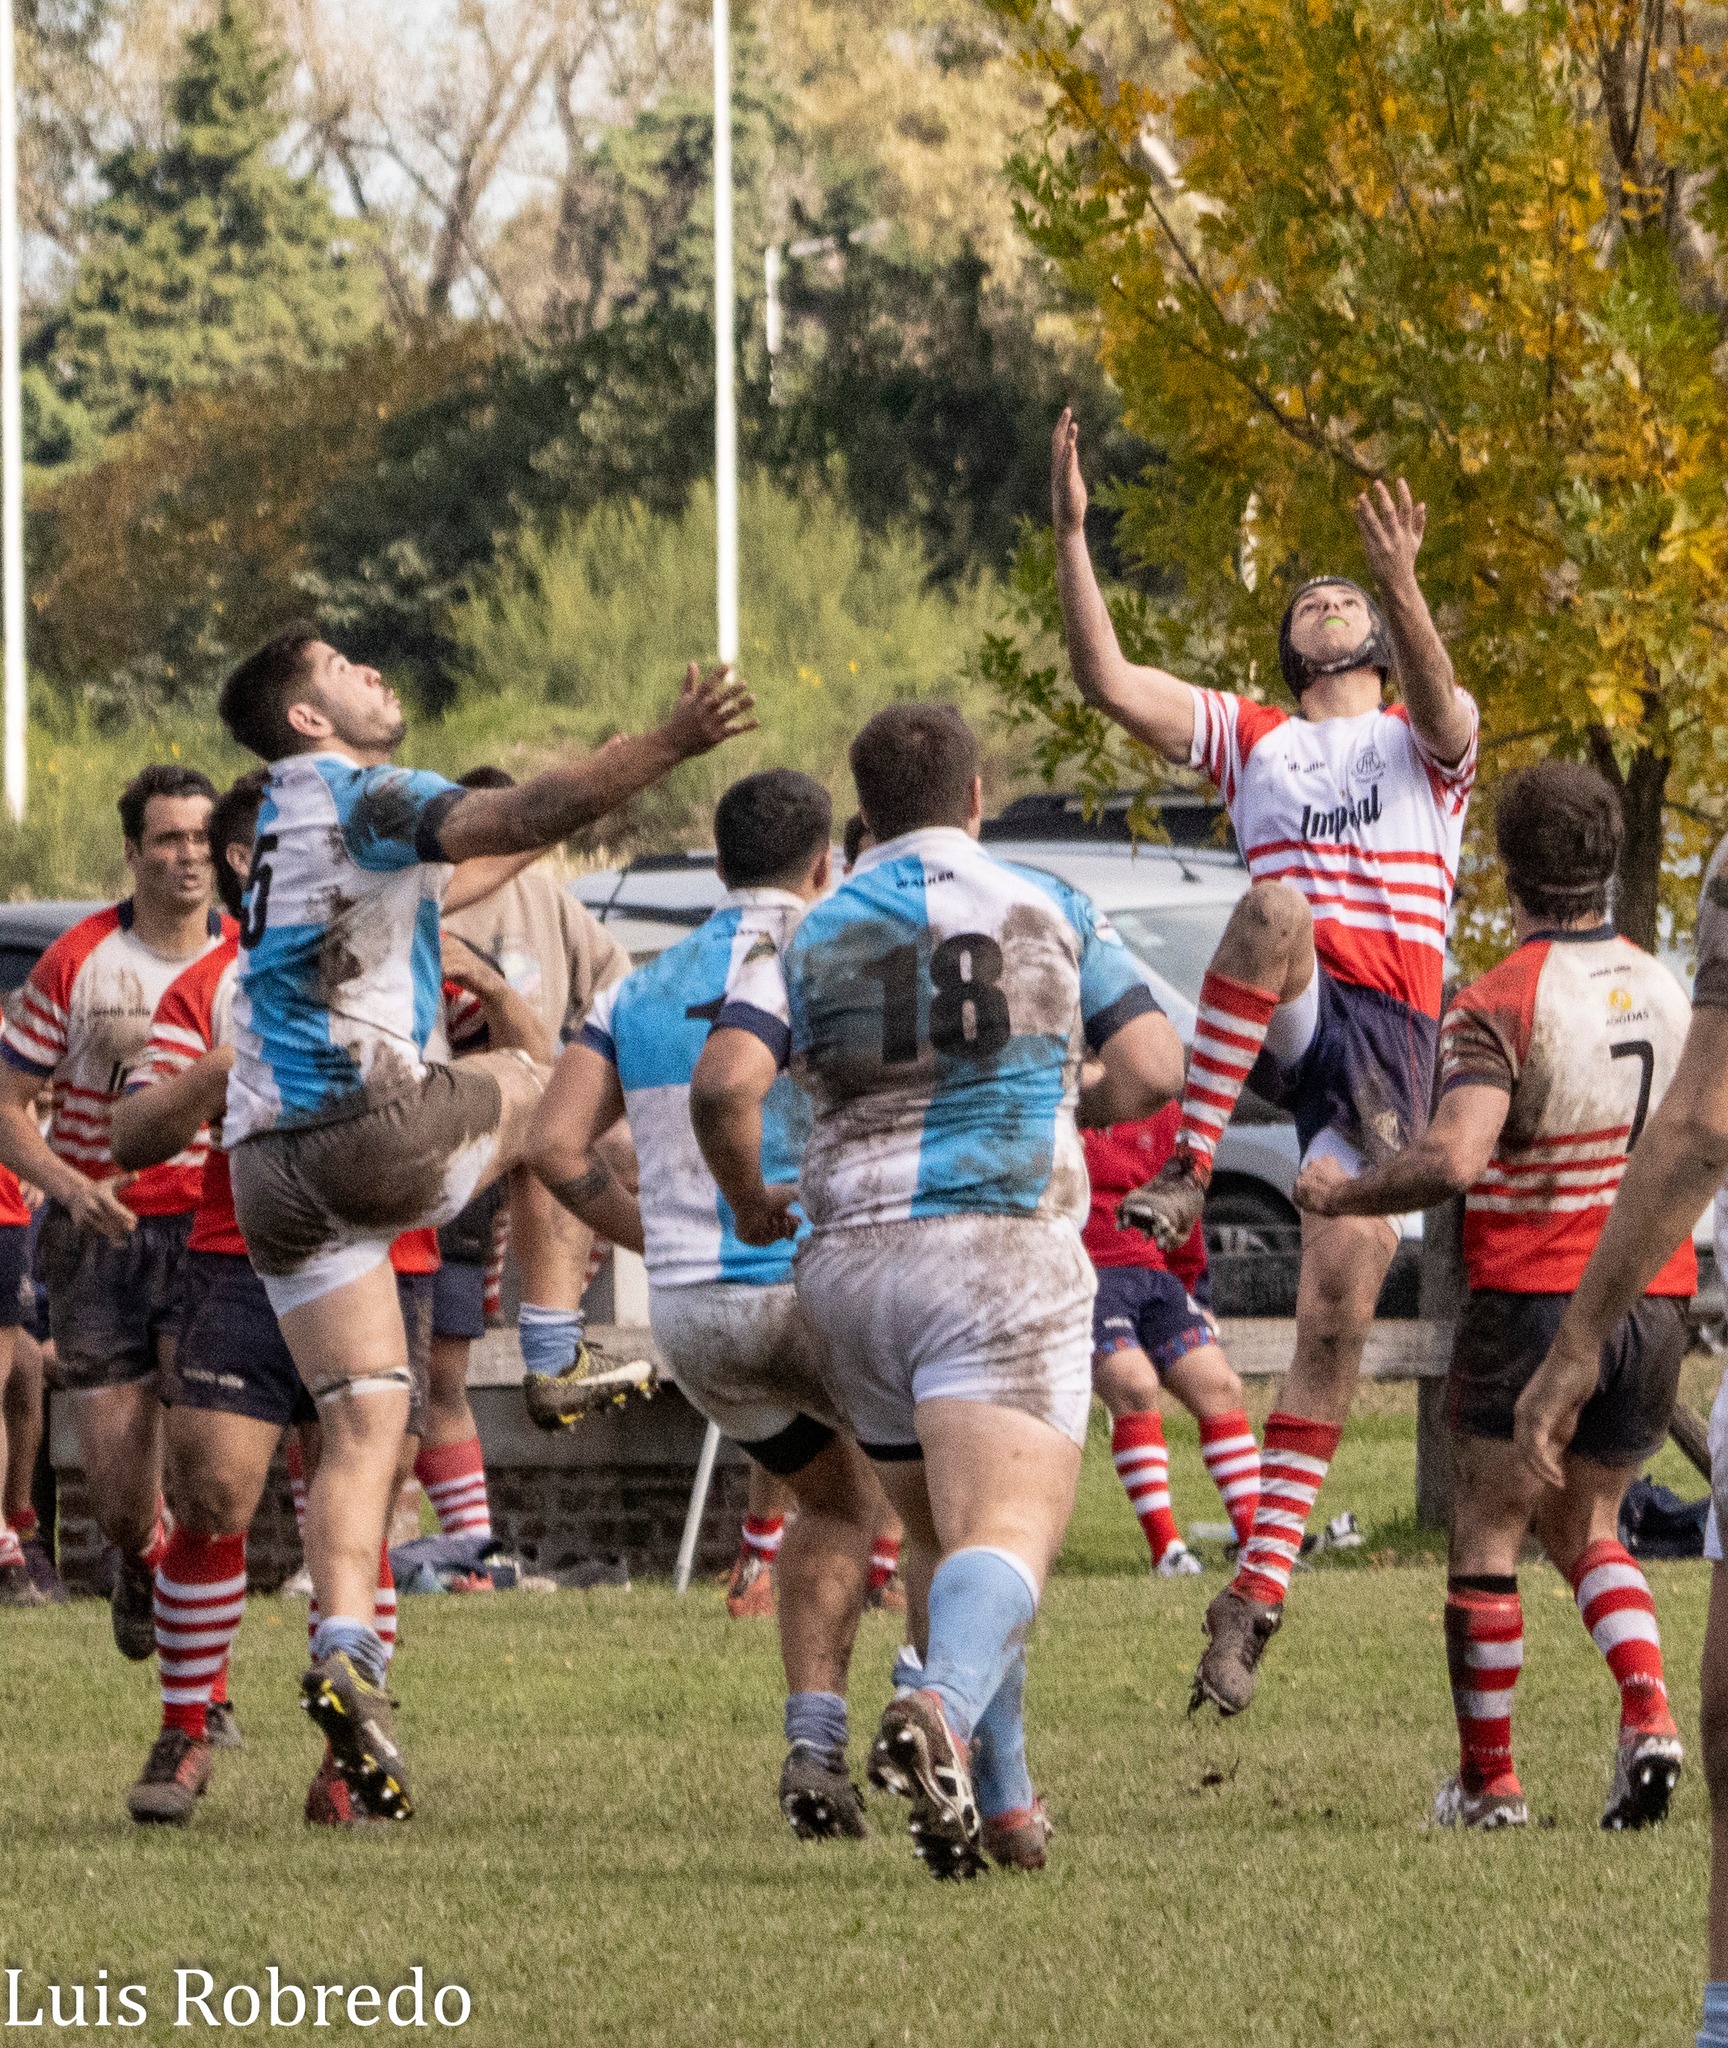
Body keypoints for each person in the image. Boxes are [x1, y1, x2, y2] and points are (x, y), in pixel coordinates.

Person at [213, 624, 752, 1822]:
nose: (371, 672)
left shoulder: (286, 831)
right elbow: (514, 815)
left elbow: (471, 866)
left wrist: (568, 801)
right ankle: (556, 1348)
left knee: (364, 1425)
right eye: (345, 667)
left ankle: (347, 1646)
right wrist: (666, 744)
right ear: (308, 717)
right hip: (367, 1124)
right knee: (537, 1077)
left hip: (269, 1176)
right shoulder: (359, 791)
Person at [692, 706, 1184, 1877]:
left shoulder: (805, 935)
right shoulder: (1047, 904)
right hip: (998, 1245)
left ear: (860, 813)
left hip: (853, 1263)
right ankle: (941, 1706)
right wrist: (1083, 1103)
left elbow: (723, 1087)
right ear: (977, 796)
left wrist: (753, 1198)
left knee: (937, 1535)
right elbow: (1159, 1062)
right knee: (1010, 1530)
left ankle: (1004, 1806)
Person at [1049, 409, 1478, 1716]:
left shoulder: (1424, 744)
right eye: (1320, 598)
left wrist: (1404, 579)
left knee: (1334, 1316)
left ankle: (1259, 1590)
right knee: (1275, 908)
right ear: (1291, 651)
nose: (1335, 602)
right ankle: (1188, 1163)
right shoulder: (1256, 740)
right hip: (1297, 998)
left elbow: (1452, 706)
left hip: (1393, 1043)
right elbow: (1110, 684)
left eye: (1353, 592)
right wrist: (1073, 537)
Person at [111, 772, 545, 1825]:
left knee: (361, 1491)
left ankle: (347, 1753)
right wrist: (230, 1064)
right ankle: (187, 1724)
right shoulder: (210, 983)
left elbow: (536, 1049)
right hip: (238, 1256)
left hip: (384, 1261)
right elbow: (131, 1139)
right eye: (277, 851)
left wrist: (482, 974)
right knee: (214, 1493)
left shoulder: (398, 957)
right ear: (241, 868)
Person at [1296, 761, 1691, 1830]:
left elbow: (1457, 1155)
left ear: (1501, 869)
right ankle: (1649, 1713)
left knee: (1487, 1528)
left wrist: (1346, 1188)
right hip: (1655, 1299)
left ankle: (1491, 1784)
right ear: (1606, 860)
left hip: (1533, 1297)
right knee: (1592, 1519)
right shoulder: (1666, 984)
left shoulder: (1498, 999)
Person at [529, 768, 894, 1838]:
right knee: (943, 1510)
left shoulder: (635, 984)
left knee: (832, 1501)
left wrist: (661, 1238)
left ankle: (816, 1745)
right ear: (824, 863)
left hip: (698, 1320)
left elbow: (554, 1146)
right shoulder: (832, 961)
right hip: (816, 1281)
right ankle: (941, 1722)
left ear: (716, 863)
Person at [1511, 835, 1728, 2044]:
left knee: (1532, 1523)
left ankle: (1722, 2016)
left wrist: (1579, 1334)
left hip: (1555, 1283)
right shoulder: (1660, 963)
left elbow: (1699, 1127)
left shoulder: (1508, 988)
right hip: (1674, 1293)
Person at [0, 764, 231, 1657]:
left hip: (209, 1232)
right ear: (132, 852)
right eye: (168, 839)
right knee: (119, 1486)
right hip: (99, 1238)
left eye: (203, 839)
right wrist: (68, 1185)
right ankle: (142, 1554)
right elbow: (8, 1103)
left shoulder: (246, 956)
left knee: (210, 1462)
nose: (188, 856)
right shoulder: (79, 958)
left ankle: (199, 1684)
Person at [440, 766, 634, 1439]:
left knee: (596, 1138)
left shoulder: (544, 899)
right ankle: (552, 1349)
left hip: (523, 1090)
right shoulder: (422, 899)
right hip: (438, 1109)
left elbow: (619, 991)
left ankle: (567, 1342)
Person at [1082, 1101, 1259, 1574]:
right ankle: (1167, 1550)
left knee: (1221, 1386)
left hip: (1155, 1278)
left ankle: (1255, 1543)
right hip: (1086, 1277)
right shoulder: (1058, 1099)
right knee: (1134, 1383)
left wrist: (1195, 1292)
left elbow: (1184, 1211)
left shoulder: (1163, 1112)